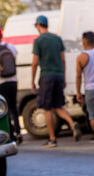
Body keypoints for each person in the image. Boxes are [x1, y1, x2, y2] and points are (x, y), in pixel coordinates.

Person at [31, 15, 82, 148]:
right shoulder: (57, 39)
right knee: (58, 106)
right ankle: (71, 123)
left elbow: (35, 62)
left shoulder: (39, 40)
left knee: (47, 109)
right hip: (58, 76)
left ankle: (52, 139)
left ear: (38, 25)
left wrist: (32, 81)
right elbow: (63, 60)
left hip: (46, 77)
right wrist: (63, 77)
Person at [76, 31, 94, 142]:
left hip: (90, 89)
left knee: (92, 114)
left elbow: (78, 77)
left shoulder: (81, 57)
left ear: (83, 42)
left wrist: (78, 92)